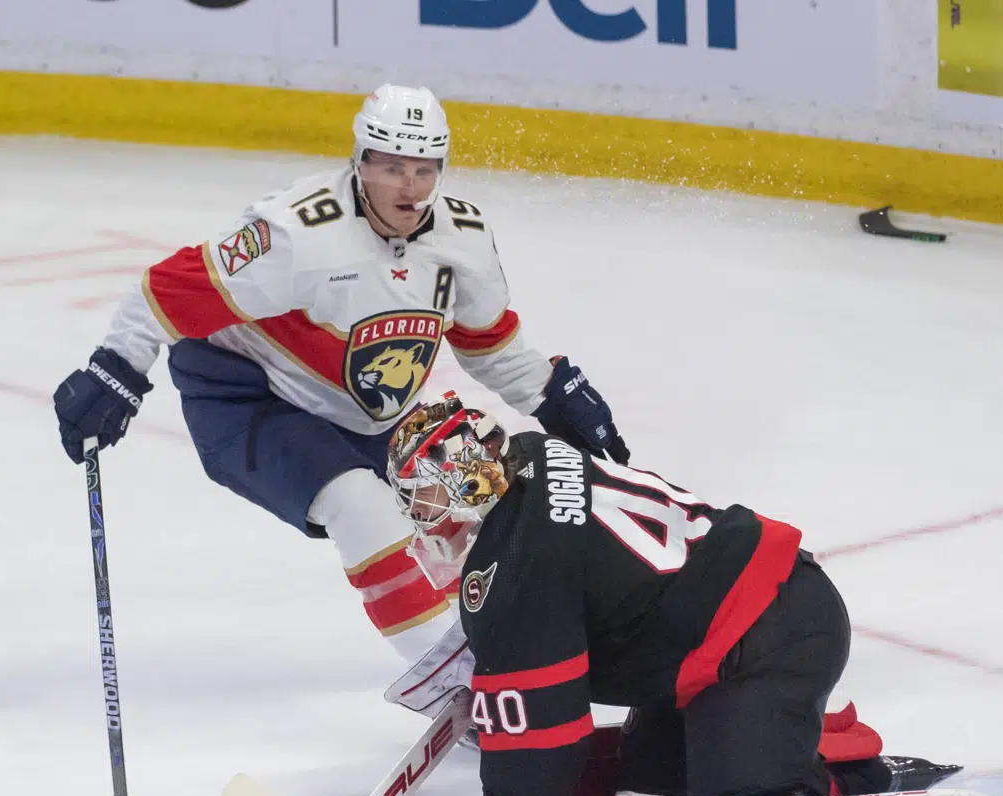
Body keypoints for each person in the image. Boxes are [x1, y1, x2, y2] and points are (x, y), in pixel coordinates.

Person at [365, 395, 1003, 796]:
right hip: (725, 641)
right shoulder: (530, 458)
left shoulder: (513, 567)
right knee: (649, 792)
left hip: (769, 639)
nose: (422, 519)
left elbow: (544, 727)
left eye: (424, 497)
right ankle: (811, 742)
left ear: (461, 490)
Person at [51, 85, 628, 666]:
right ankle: (449, 679)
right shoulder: (297, 234)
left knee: (473, 496)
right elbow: (166, 291)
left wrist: (553, 396)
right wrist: (113, 371)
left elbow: (489, 346)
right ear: (361, 162)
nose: (410, 186)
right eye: (393, 167)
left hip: (371, 414)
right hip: (250, 397)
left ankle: (507, 648)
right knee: (359, 502)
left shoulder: (463, 241)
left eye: (425, 168)